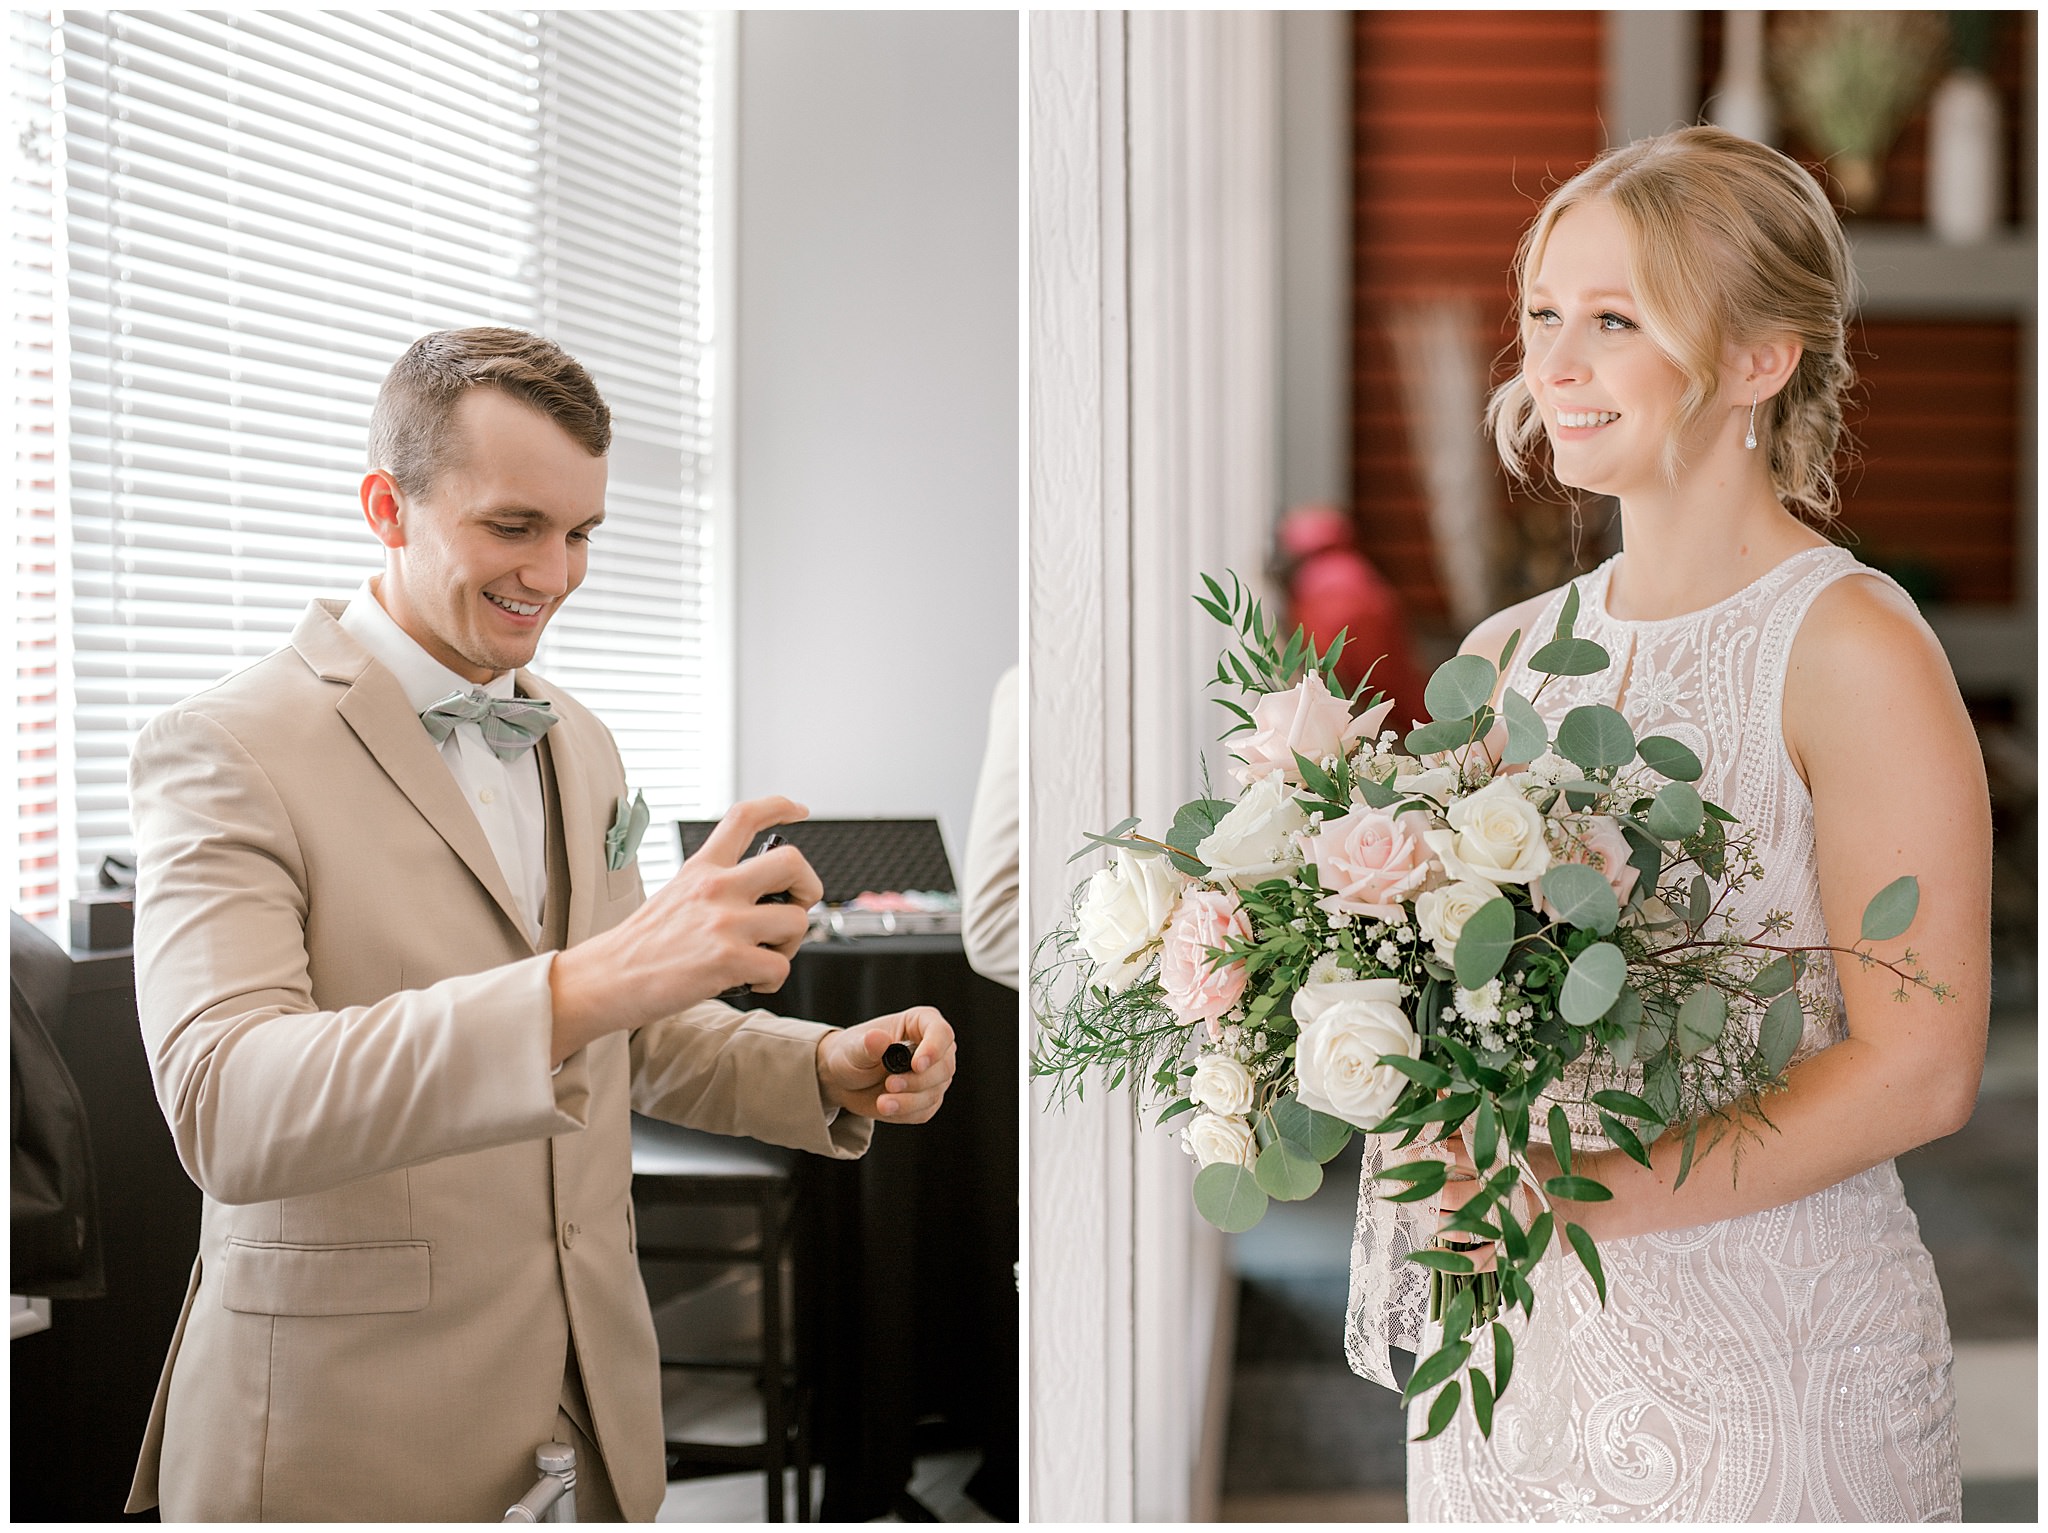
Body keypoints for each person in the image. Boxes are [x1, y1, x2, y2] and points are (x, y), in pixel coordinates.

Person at [123, 328, 959, 1521]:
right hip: (338, 1432)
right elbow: (226, 1105)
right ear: (385, 507)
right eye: (513, 528)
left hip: (588, 1413)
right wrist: (591, 985)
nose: (554, 575)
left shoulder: (578, 737)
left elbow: (624, 1031)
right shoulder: (225, 747)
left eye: (581, 534)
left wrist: (817, 1066)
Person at [1370, 127, 1990, 1520]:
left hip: (1774, 1375)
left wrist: (1584, 1193)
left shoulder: (1853, 650)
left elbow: (1921, 1069)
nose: (1558, 364)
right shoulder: (1513, 655)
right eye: (1543, 317)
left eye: (1615, 320)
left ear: (1763, 358)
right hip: (1520, 1366)